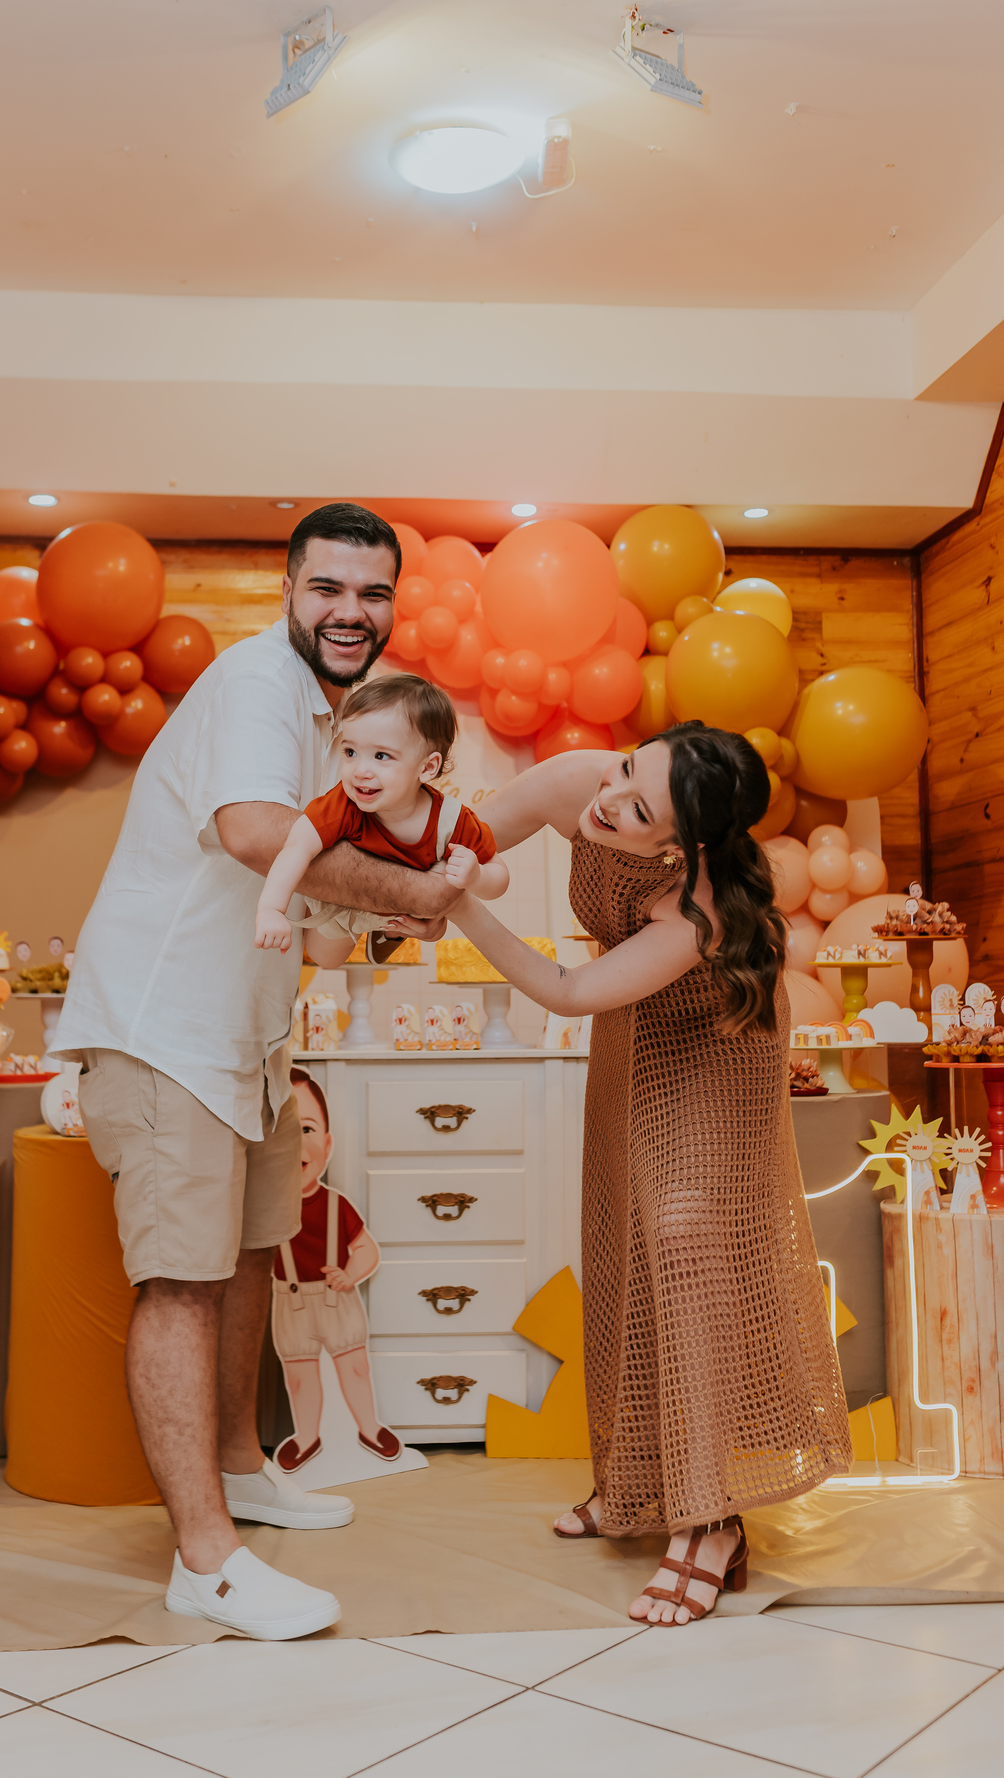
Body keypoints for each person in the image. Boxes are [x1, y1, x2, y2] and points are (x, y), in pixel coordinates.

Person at [51, 503, 460, 1641]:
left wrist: (395, 902)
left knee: (240, 1259)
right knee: (181, 1280)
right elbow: (245, 831)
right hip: (164, 1029)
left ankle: (238, 1471)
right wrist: (411, 892)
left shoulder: (333, 719)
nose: (351, 612)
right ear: (290, 587)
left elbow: (317, 911)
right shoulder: (254, 686)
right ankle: (205, 1559)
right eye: (330, 587)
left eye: (373, 594)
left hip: (246, 1040)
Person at [409, 724, 851, 1627]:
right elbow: (473, 840)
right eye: (623, 771)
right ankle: (637, 1486)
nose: (608, 799)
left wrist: (459, 911)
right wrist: (419, 884)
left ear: (679, 847)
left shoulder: (701, 908)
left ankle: (709, 1520)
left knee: (688, 1255)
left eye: (637, 806)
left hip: (715, 1055)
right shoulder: (581, 781)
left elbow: (570, 990)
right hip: (630, 1039)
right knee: (620, 1250)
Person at [255, 673, 507, 955]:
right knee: (323, 957)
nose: (360, 771)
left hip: (404, 907)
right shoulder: (344, 803)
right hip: (346, 899)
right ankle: (375, 929)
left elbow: (499, 876)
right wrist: (272, 908)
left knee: (432, 900)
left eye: (381, 756)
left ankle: (387, 931)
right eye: (350, 752)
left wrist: (477, 877)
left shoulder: (452, 820)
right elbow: (297, 846)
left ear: (427, 768)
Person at [271, 1066, 401, 1470]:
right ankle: (307, 1437)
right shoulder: (265, 1208)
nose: (296, 1143)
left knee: (356, 1366)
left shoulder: (335, 1205)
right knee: (299, 1377)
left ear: (327, 1144)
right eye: (281, 1130)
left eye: (306, 1129)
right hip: (288, 1303)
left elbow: (366, 1249)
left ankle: (369, 1427)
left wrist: (351, 1273)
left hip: (335, 1297)